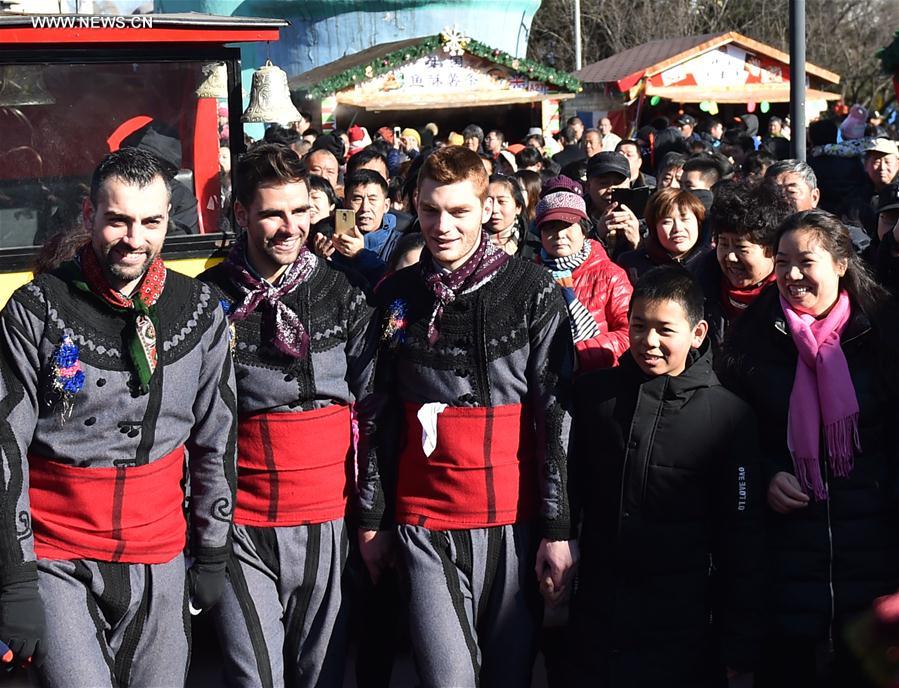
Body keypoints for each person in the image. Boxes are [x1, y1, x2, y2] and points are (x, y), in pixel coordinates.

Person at [0, 147, 237, 685]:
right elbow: (4, 445)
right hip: (58, 554)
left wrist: (214, 550)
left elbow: (216, 438)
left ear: (167, 216)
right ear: (89, 216)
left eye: (150, 222)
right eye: (118, 221)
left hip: (161, 553)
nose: (134, 238)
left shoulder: (200, 310)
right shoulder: (35, 308)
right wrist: (14, 580)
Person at [358, 145, 577, 688]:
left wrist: (557, 530)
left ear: (487, 209)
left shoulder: (534, 292)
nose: (442, 226)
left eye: (458, 211)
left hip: (512, 521)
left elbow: (556, 417)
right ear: (413, 206)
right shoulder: (396, 296)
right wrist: (372, 518)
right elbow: (375, 414)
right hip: (424, 519)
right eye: (430, 211)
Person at [199, 143, 376, 688]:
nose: (290, 226)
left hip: (327, 517)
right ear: (241, 214)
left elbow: (373, 409)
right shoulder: (206, 301)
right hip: (240, 521)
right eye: (274, 212)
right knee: (254, 676)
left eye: (300, 211)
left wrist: (372, 517)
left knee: (321, 675)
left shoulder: (341, 293)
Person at [721, 210, 899, 688]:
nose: (792, 275)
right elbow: (725, 440)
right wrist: (763, 474)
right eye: (782, 262)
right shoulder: (751, 339)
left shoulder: (882, 332)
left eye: (806, 261)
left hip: (873, 563)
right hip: (784, 569)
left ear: (841, 264)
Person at [570, 266, 763, 687]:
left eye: (664, 330)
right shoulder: (594, 398)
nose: (648, 342)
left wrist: (739, 639)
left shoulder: (729, 416)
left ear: (697, 333)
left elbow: (742, 538)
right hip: (598, 618)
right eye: (639, 326)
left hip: (685, 627)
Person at [692, 178, 795, 352]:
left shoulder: (792, 295)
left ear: (771, 249)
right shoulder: (698, 283)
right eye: (723, 244)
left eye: (741, 247)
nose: (730, 257)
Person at [535, 189, 631, 372]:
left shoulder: (610, 275)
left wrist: (578, 356)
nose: (559, 234)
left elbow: (629, 334)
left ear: (584, 230)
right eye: (550, 227)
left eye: (567, 225)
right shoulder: (531, 277)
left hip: (597, 382)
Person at [618, 187, 708, 284]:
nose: (677, 228)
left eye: (685, 219)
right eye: (667, 222)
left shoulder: (711, 262)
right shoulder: (631, 263)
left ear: (698, 223)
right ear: (654, 227)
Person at [332, 169, 403, 289]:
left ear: (386, 205)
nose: (365, 208)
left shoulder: (400, 244)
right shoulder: (331, 239)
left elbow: (395, 285)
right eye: (357, 199)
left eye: (372, 199)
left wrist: (361, 254)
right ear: (344, 203)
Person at [585, 152, 642, 259]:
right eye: (603, 183)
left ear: (629, 185)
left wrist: (638, 242)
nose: (610, 190)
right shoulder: (576, 219)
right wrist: (597, 236)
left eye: (617, 183)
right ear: (588, 186)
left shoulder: (644, 215)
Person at [485, 173, 534, 258]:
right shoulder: (468, 244)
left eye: (501, 201)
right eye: (488, 201)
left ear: (518, 207)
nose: (494, 209)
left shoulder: (533, 246)